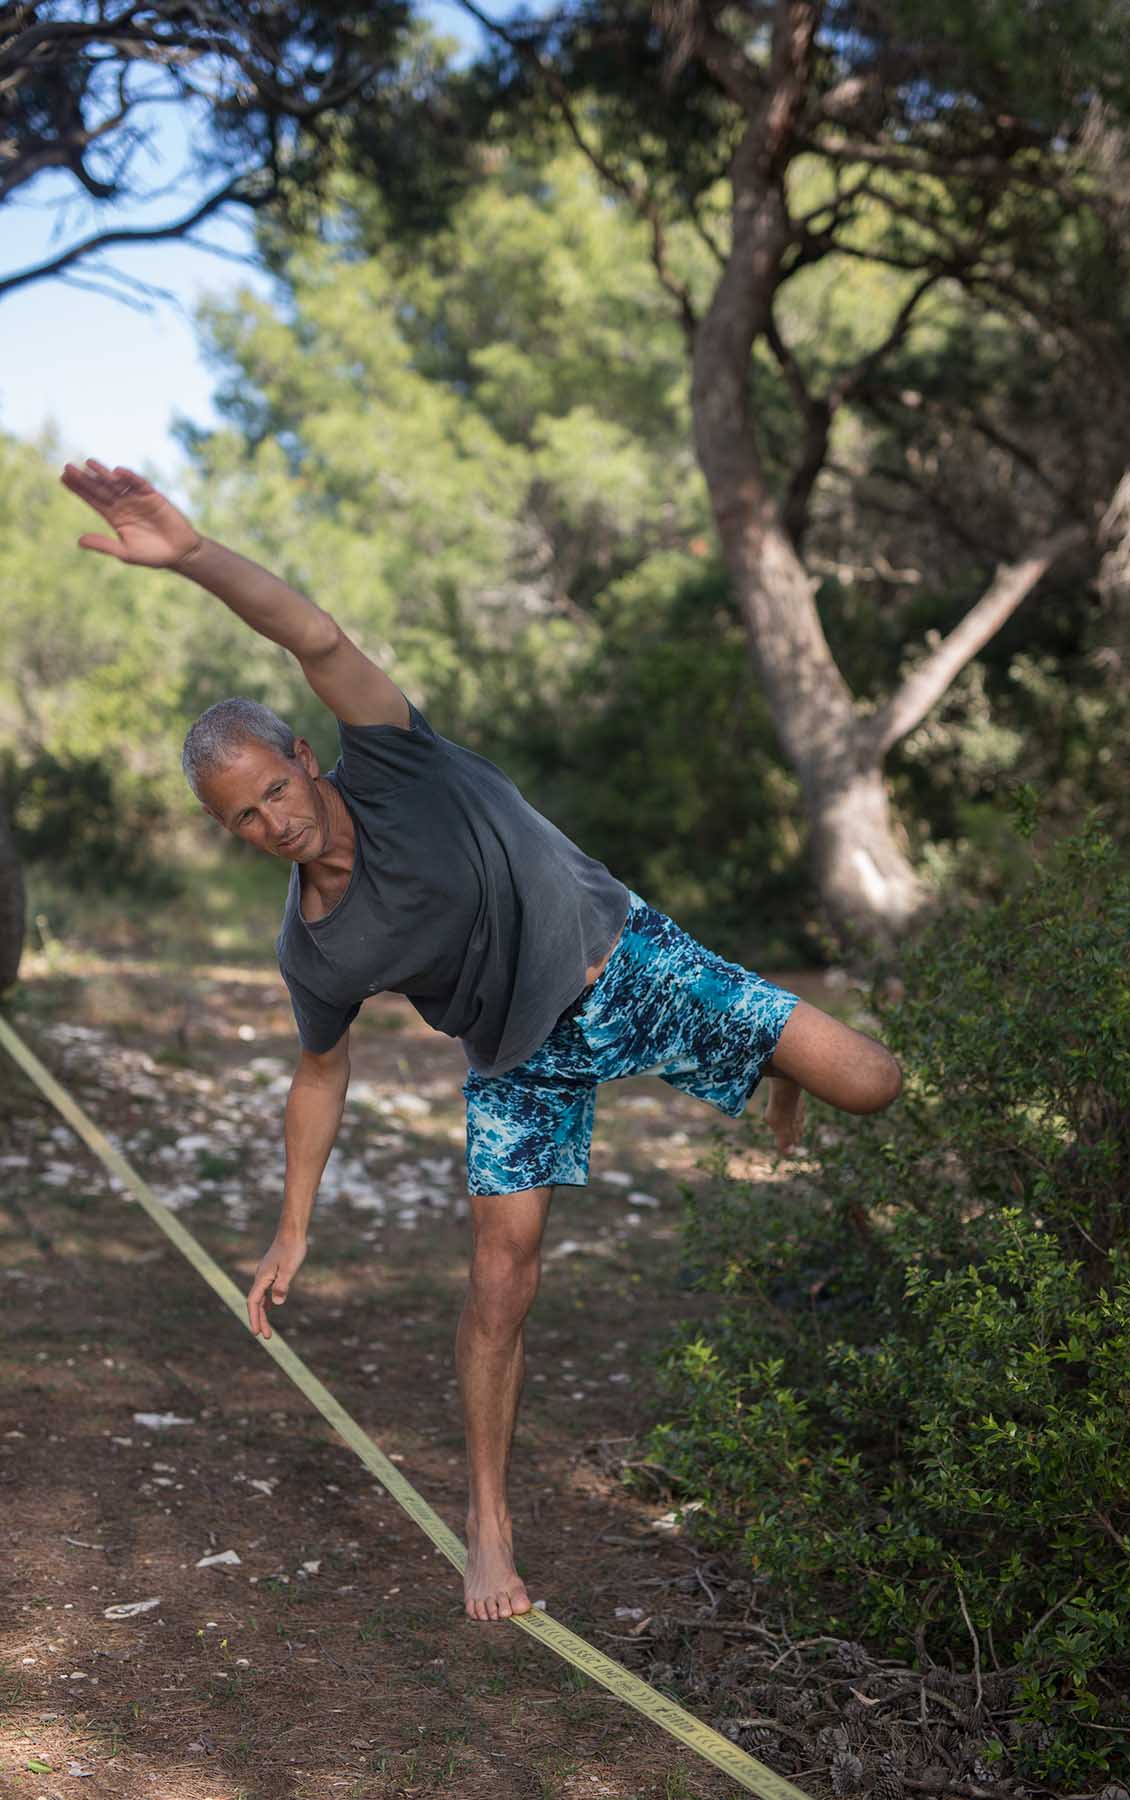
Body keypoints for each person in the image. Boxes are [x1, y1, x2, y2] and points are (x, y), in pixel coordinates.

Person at [62, 457, 903, 1623]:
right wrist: (292, 1227)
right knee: (499, 1280)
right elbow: (321, 1070)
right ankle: (491, 1528)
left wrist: (195, 555)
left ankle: (762, 1052)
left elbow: (310, 632)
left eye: (273, 788)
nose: (272, 822)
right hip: (518, 1057)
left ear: (304, 754)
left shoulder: (396, 756)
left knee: (874, 1083)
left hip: (626, 956)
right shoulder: (316, 946)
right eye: (241, 818)